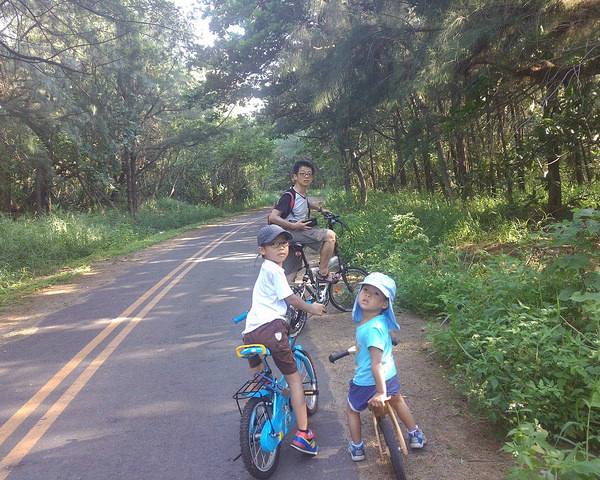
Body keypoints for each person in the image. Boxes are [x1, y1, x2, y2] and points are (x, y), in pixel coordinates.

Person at [242, 224, 325, 455]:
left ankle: (258, 411)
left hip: (250, 333)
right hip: (273, 330)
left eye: (284, 243)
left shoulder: (265, 271)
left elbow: (265, 299)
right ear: (262, 250)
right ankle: (303, 434)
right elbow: (289, 298)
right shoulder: (275, 270)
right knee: (295, 379)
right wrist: (312, 307)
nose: (281, 248)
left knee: (257, 374)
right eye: (275, 244)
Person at [346, 272, 426, 461]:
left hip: (369, 381)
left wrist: (381, 392)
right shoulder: (379, 320)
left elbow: (376, 363)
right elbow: (386, 331)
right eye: (365, 290)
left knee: (352, 409)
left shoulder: (372, 329)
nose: (367, 295)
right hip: (389, 376)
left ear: (384, 304)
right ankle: (415, 434)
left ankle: (357, 447)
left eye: (375, 294)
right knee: (398, 400)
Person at [267, 160, 339, 284]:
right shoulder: (288, 196)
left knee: (290, 276)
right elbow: (272, 217)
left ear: (312, 178)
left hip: (287, 236)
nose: (306, 176)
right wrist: (294, 225)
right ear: (295, 176)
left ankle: (286, 301)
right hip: (292, 232)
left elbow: (305, 202)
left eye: (309, 174)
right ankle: (323, 273)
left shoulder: (300, 194)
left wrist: (321, 209)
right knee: (330, 236)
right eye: (302, 173)